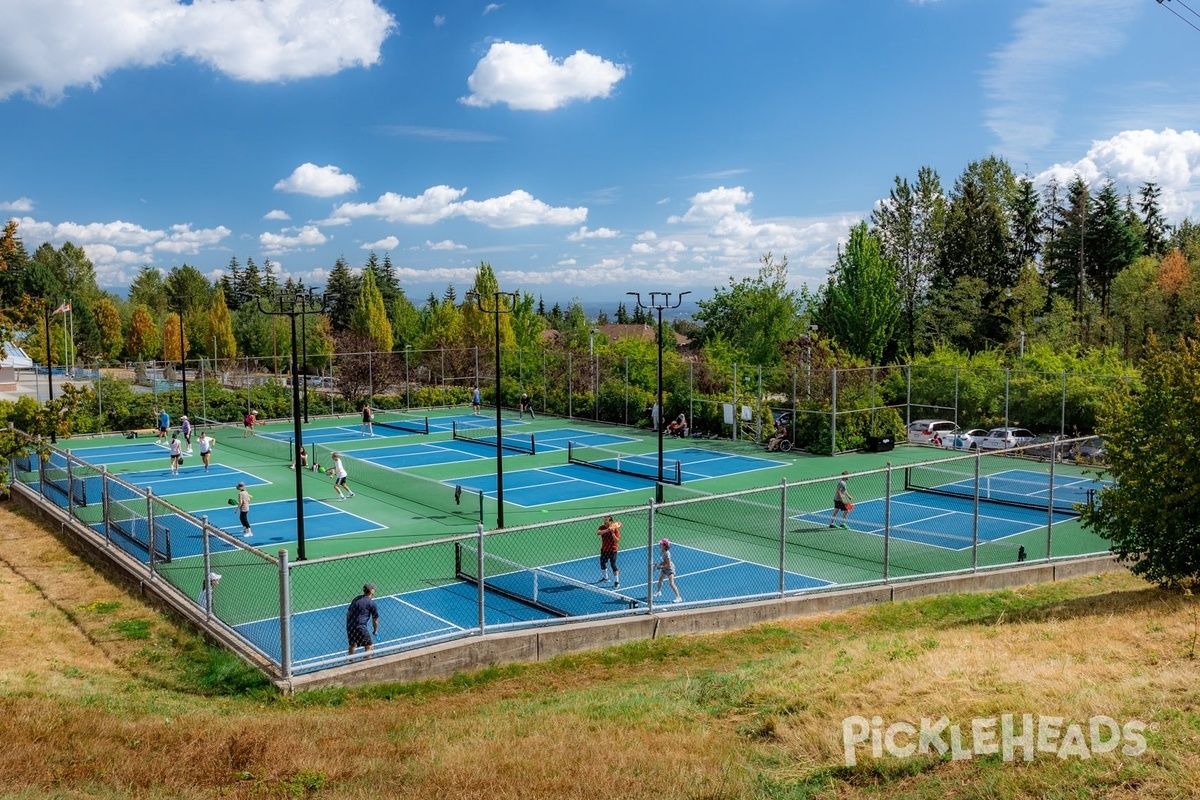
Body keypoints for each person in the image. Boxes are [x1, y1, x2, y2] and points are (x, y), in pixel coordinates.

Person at [346, 582, 380, 657]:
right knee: (369, 646)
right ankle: (367, 663)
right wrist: (375, 630)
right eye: (373, 588)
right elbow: (375, 620)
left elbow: (348, 614)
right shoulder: (371, 603)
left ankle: (350, 662)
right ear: (371, 591)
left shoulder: (356, 598)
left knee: (352, 645)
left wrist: (351, 624)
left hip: (350, 626)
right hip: (360, 627)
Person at [654, 538, 683, 603]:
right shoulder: (662, 551)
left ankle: (679, 597)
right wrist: (659, 565)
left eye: (661, 544)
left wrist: (661, 567)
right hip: (664, 568)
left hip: (670, 569)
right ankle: (658, 591)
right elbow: (663, 561)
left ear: (664, 546)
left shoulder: (667, 553)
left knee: (671, 583)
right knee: (660, 580)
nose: (659, 544)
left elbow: (668, 564)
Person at [597, 515, 623, 588]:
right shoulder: (602, 527)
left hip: (613, 550)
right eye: (604, 519)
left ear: (610, 521)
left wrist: (612, 533)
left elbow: (617, 540)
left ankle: (617, 582)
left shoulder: (615, 529)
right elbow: (598, 533)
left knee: (613, 565)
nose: (605, 521)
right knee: (602, 563)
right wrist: (607, 530)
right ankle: (606, 578)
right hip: (604, 549)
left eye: (606, 520)